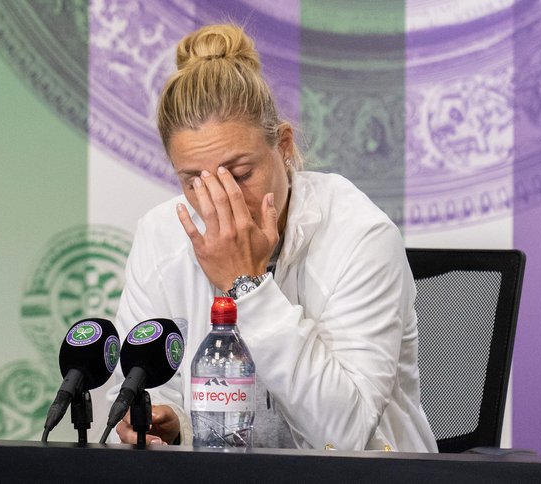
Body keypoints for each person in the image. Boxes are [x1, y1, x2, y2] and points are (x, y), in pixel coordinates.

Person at [108, 23, 437, 452]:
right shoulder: (161, 236)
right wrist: (170, 429)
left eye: (240, 174)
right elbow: (146, 394)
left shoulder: (362, 236)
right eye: (194, 182)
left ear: (283, 146)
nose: (219, 202)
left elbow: (344, 436)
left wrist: (247, 287)